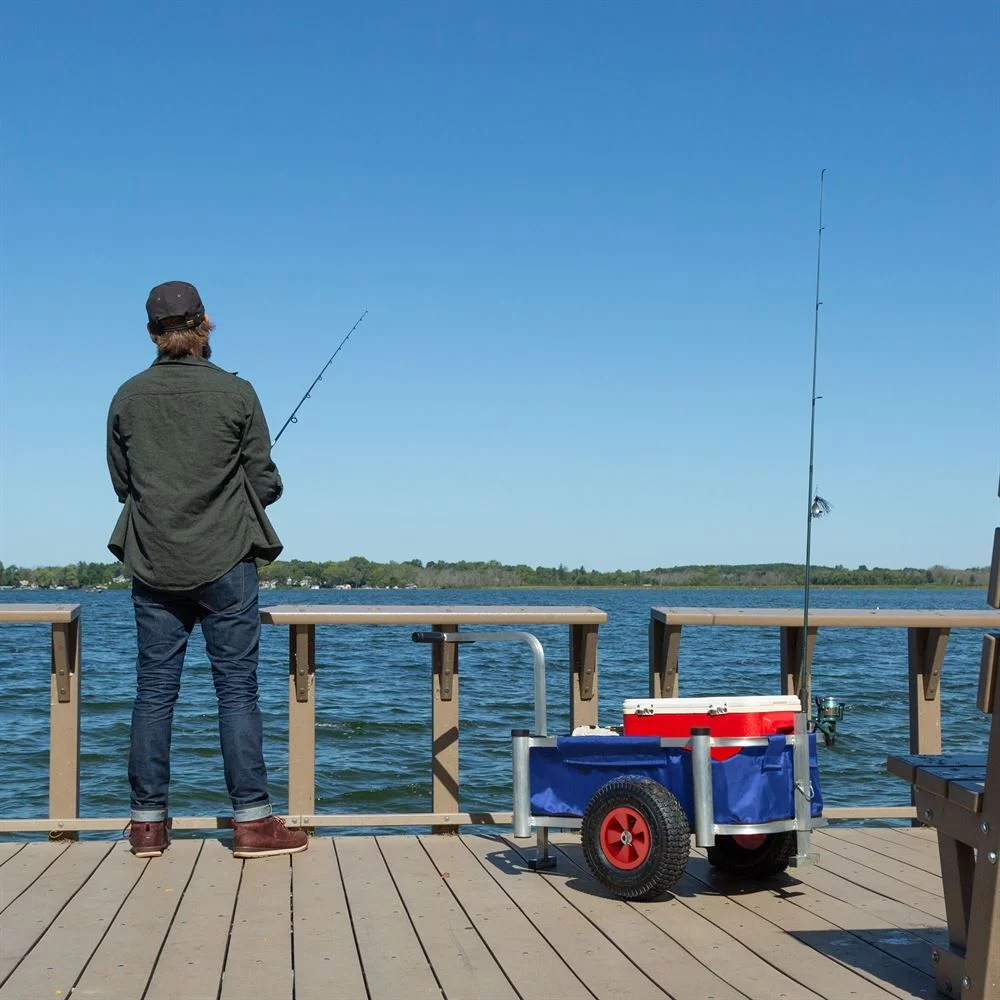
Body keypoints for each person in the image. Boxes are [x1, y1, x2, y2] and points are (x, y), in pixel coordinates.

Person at [106, 280, 307, 860]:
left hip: (154, 563)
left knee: (154, 691)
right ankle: (252, 823)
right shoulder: (237, 394)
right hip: (227, 563)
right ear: (206, 326)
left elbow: (123, 482)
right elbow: (265, 481)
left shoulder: (127, 396)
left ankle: (147, 826)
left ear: (152, 332)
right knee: (237, 691)